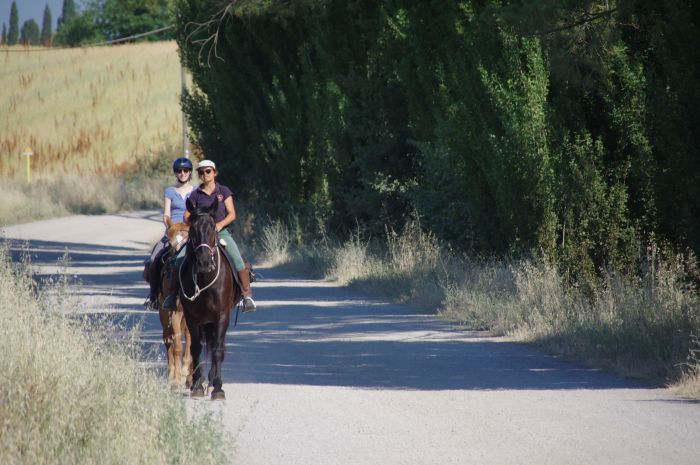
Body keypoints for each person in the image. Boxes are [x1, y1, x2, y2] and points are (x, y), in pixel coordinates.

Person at [162, 159, 256, 312]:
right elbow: (187, 215)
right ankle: (172, 296)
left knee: (238, 260)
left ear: (214, 172)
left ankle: (247, 297)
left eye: (208, 171)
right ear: (199, 175)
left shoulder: (223, 191)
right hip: (201, 235)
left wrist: (219, 225)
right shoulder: (195, 194)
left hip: (221, 232)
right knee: (179, 260)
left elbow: (232, 214)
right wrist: (196, 223)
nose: (205, 174)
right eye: (201, 172)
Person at [144, 157, 195, 309]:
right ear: (175, 173)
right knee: (154, 258)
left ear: (190, 172)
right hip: (173, 230)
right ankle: (153, 297)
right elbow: (166, 214)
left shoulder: (196, 191)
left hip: (189, 230)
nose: (183, 173)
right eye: (179, 171)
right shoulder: (170, 191)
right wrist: (169, 227)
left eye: (185, 170)